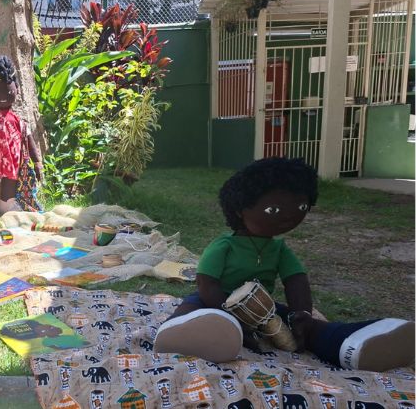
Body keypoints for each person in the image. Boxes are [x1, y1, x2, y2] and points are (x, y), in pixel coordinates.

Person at [153, 157, 414, 371]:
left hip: (263, 308)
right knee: (193, 308)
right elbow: (206, 282)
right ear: (240, 210)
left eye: (301, 207)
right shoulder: (224, 246)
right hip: (216, 301)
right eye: (274, 211)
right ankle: (182, 333)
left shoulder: (278, 249)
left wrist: (302, 313)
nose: (290, 217)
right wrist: (229, 311)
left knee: (308, 329)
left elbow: (296, 279)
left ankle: (351, 345)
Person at [0, 56, 43, 214]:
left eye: (9, 91)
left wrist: (37, 162)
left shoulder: (20, 122)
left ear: (15, 90)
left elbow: (29, 141)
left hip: (13, 164)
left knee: (9, 189)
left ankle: (7, 207)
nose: (3, 95)